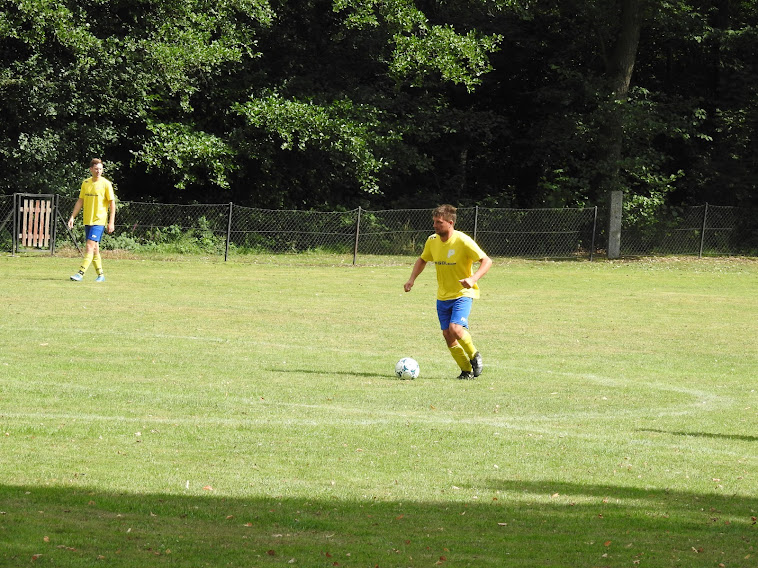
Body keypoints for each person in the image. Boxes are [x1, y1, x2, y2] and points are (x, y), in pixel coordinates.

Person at [404, 204, 492, 380]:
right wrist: (411, 279)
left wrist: (472, 279)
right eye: (434, 222)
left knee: (456, 329)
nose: (435, 225)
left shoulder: (463, 241)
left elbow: (487, 261)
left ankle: (475, 356)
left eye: (439, 222)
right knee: (447, 335)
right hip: (442, 296)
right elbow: (422, 259)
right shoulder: (432, 241)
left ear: (450, 223)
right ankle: (466, 370)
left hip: (462, 293)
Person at [68, 158, 116, 282]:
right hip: (87, 220)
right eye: (96, 169)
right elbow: (80, 201)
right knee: (95, 249)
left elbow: (112, 204)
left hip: (99, 221)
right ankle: (101, 275)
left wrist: (111, 222)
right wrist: (72, 217)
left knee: (89, 246)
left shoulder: (106, 184)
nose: (98, 171)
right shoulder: (86, 183)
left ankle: (80, 273)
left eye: (100, 169)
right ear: (91, 169)